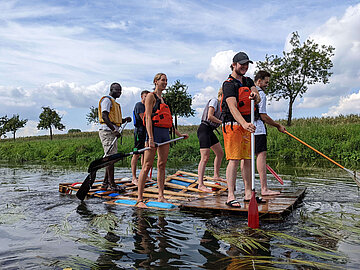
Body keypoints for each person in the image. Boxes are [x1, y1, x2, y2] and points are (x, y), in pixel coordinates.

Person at [136, 73, 188, 208]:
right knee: (147, 165)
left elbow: (169, 122)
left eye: (166, 80)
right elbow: (147, 118)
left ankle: (161, 196)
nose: (165, 82)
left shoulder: (164, 100)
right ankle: (140, 199)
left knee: (162, 165)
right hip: (154, 134)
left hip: (165, 135)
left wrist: (179, 134)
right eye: (162, 80)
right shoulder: (150, 97)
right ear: (155, 81)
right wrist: (151, 138)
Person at [221, 52, 260, 208]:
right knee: (234, 159)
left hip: (247, 125)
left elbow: (257, 97)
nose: (244, 67)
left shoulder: (248, 80)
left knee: (248, 159)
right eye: (241, 64)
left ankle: (248, 193)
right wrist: (244, 123)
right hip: (233, 125)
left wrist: (254, 96)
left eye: (247, 64)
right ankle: (230, 195)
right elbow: (232, 106)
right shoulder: (229, 84)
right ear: (234, 65)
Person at [250, 70, 286, 195]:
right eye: (266, 82)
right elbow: (263, 116)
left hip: (246, 129)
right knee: (261, 156)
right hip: (258, 129)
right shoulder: (261, 95)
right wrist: (277, 126)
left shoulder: (247, 92)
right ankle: (264, 189)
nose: (267, 85)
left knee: (247, 159)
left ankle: (249, 190)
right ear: (259, 81)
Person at [98, 82, 132, 191]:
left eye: (120, 91)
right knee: (110, 159)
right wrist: (113, 130)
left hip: (112, 133)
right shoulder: (107, 100)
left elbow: (114, 120)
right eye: (117, 90)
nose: (119, 93)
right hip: (108, 132)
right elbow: (104, 116)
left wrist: (124, 120)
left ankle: (105, 183)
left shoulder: (114, 103)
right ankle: (112, 185)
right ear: (111, 90)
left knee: (111, 158)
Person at [197, 88, 224, 192]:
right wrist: (222, 123)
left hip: (210, 130)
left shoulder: (223, 107)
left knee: (220, 153)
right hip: (204, 128)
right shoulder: (214, 101)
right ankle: (200, 184)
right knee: (205, 157)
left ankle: (216, 175)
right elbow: (210, 116)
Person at [131, 90, 150, 185]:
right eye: (145, 96)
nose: (147, 98)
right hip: (139, 132)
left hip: (145, 131)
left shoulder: (147, 107)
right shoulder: (139, 105)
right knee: (136, 153)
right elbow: (145, 119)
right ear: (142, 97)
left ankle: (144, 176)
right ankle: (134, 178)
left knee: (144, 153)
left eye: (148, 96)